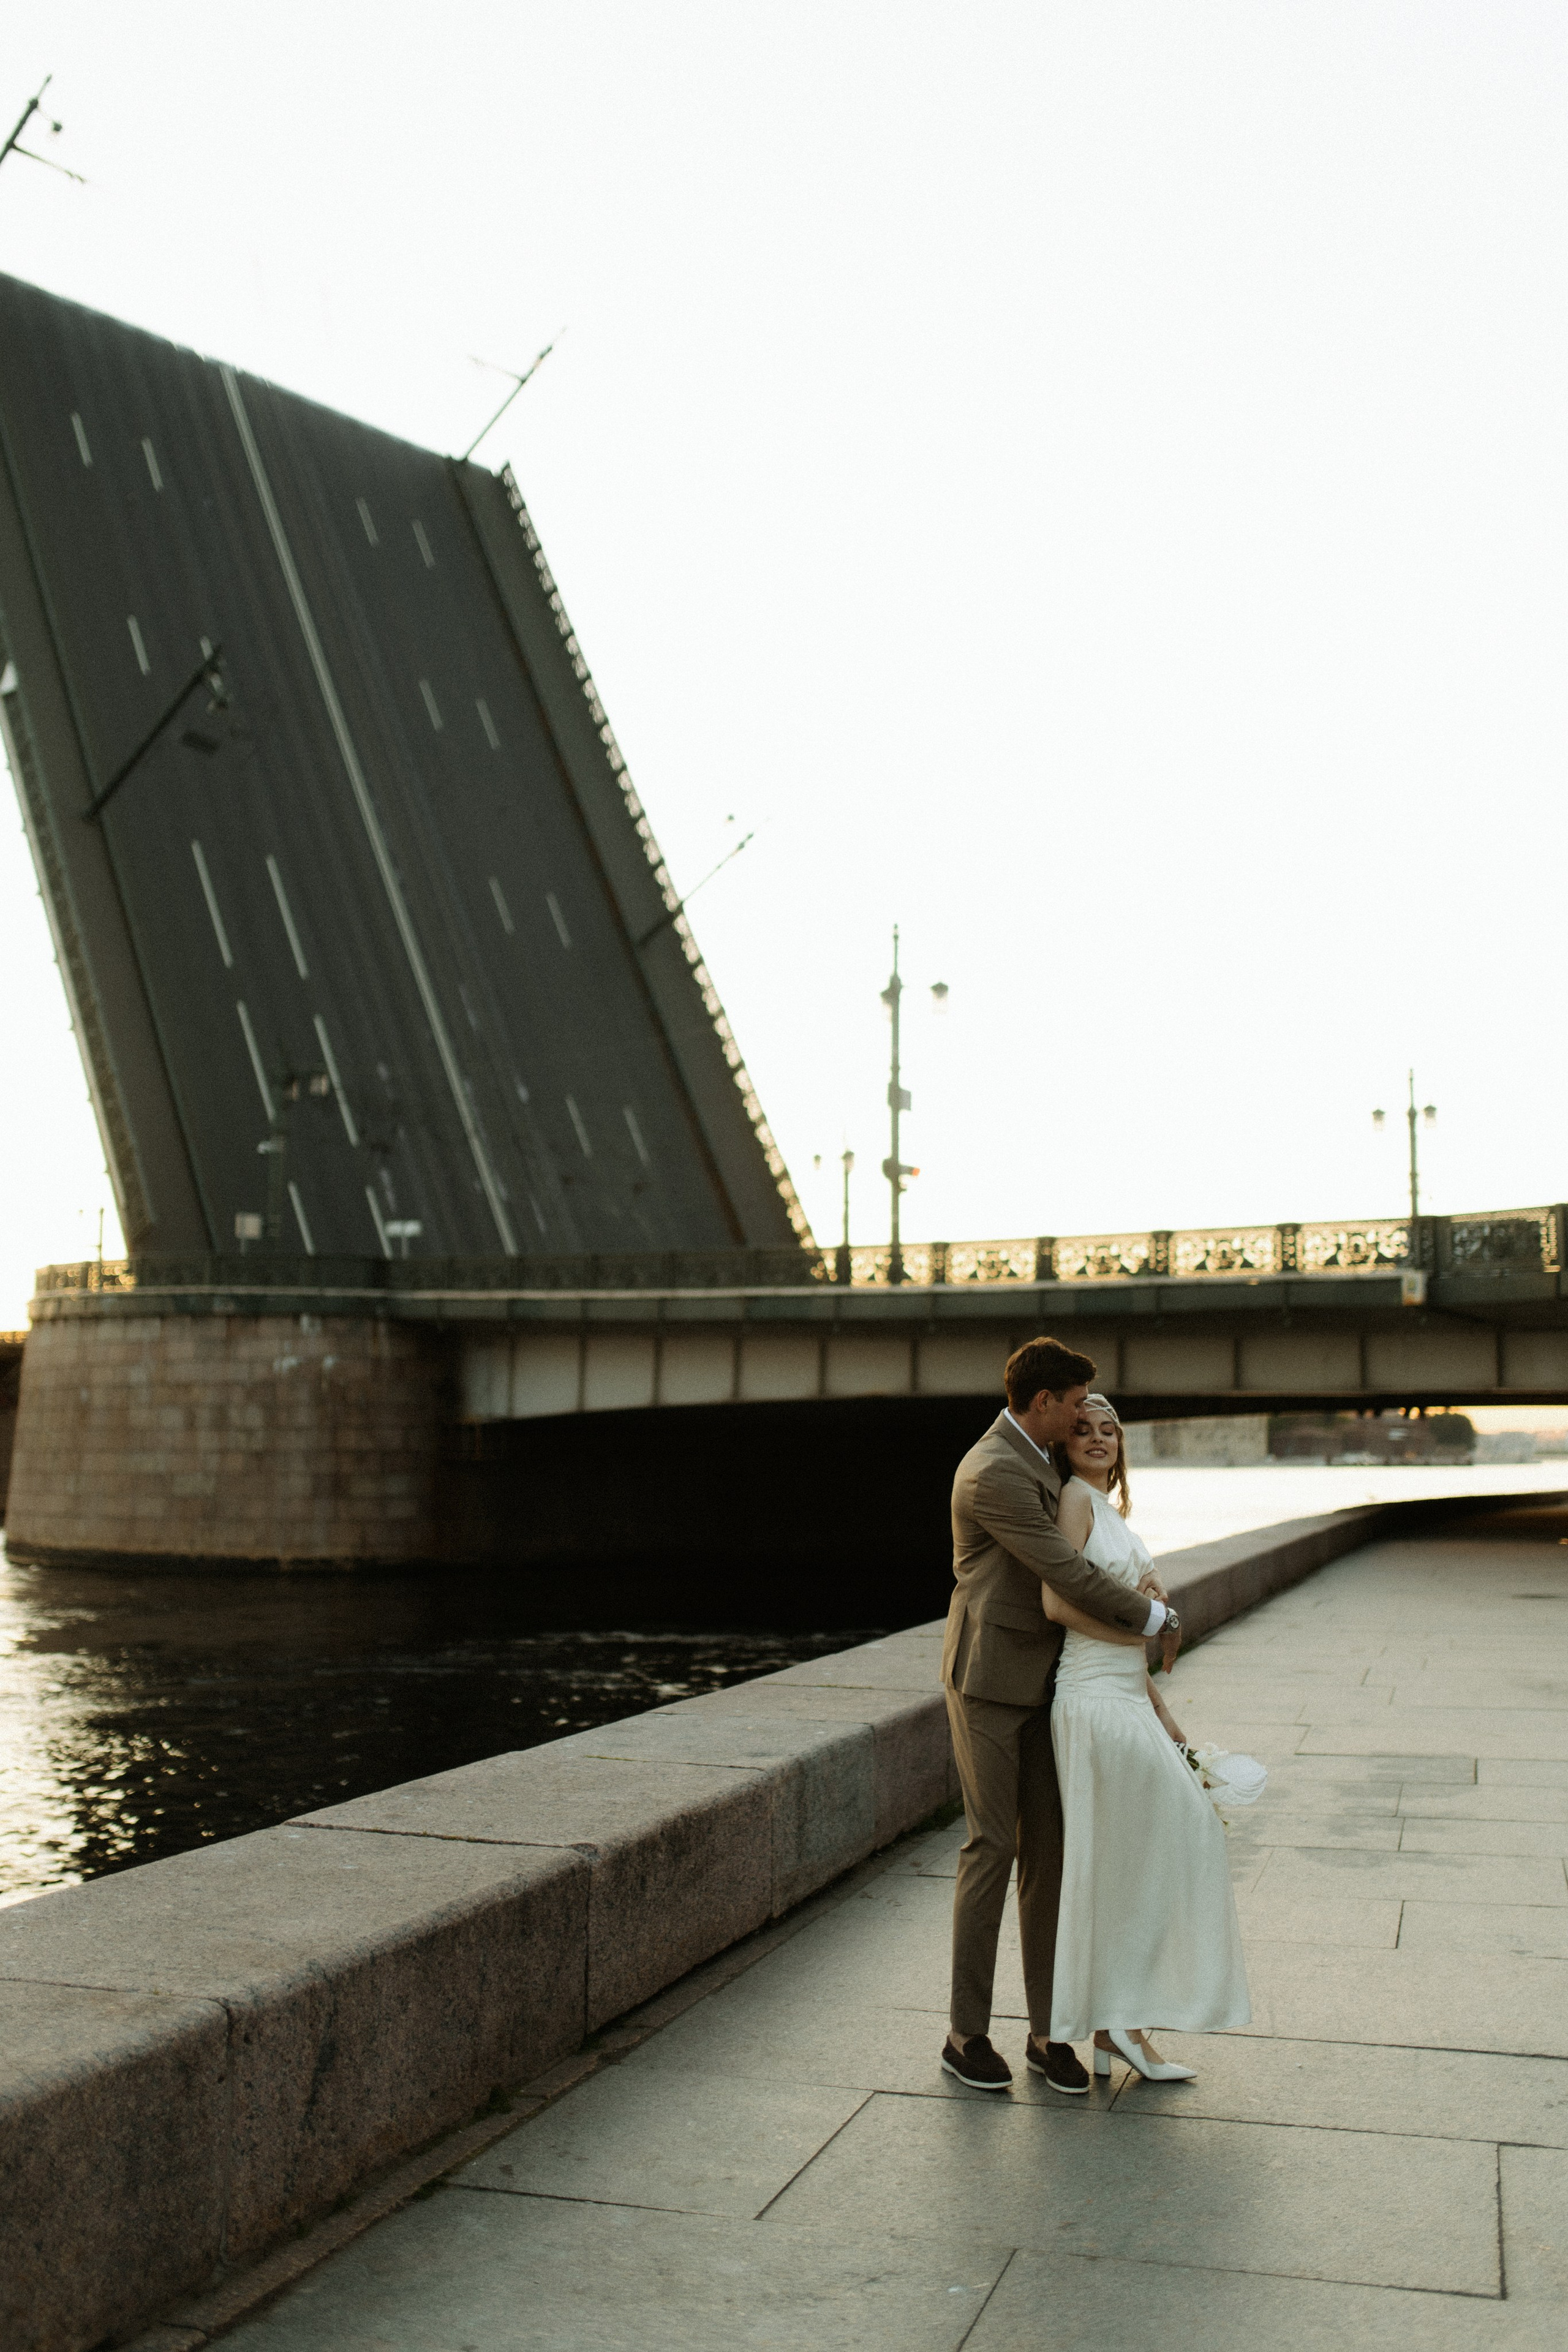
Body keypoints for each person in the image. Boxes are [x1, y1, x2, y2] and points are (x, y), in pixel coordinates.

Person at [941, 1338, 1181, 2095]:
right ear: (1043, 1402)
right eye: (1076, 1405)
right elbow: (1065, 1571)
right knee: (993, 1849)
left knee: (1051, 1857)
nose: (1086, 1417)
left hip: (1052, 1685)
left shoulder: (1047, 1460)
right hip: (988, 1682)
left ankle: (1047, 2035)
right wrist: (1154, 1616)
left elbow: (1091, 1537)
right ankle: (964, 2034)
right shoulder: (992, 1472)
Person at [1045, 1392, 1250, 2078]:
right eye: (1083, 1429)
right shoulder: (1073, 1499)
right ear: (1064, 1444)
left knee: (1138, 1856)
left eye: (1109, 1429)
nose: (1098, 1437)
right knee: (1175, 1837)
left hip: (1126, 1698)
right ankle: (1117, 2022)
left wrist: (1168, 1722)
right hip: (1092, 1699)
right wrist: (1150, 1625)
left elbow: (1139, 1641)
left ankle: (1115, 2023)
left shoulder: (1112, 1515)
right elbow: (1056, 1603)